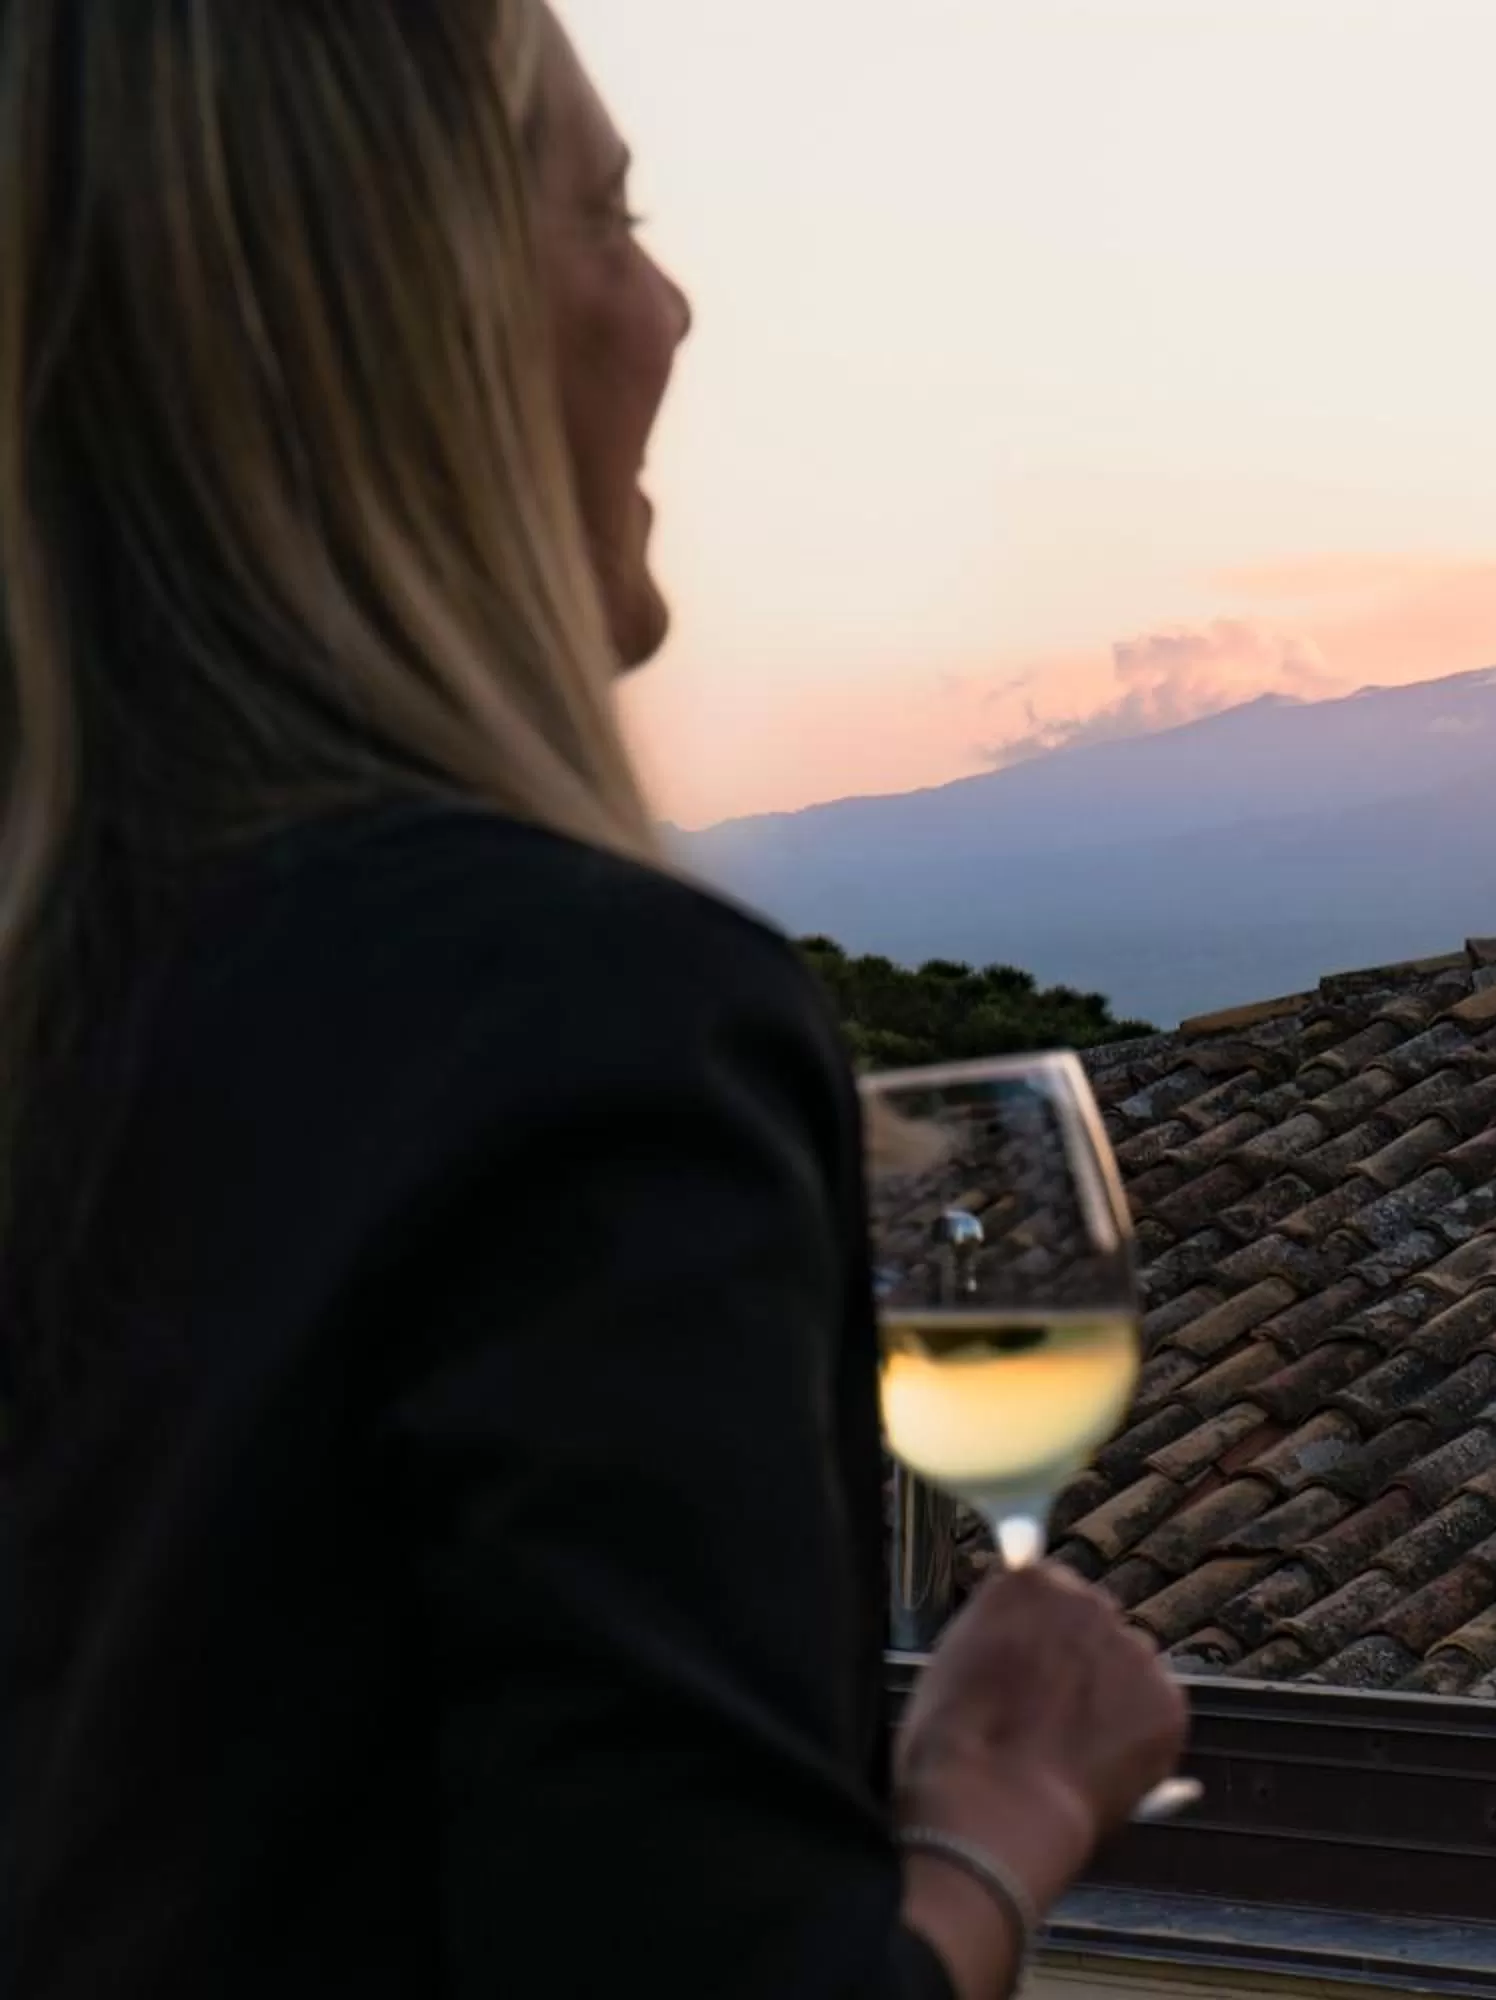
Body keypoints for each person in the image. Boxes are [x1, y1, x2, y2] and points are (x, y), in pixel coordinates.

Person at [0, 7, 1185, 1998]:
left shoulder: (71, 997)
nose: (671, 307)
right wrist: (1000, 1818)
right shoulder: (581, 1027)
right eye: (605, 216)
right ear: (405, 329)